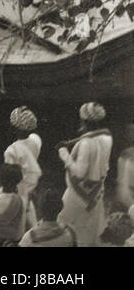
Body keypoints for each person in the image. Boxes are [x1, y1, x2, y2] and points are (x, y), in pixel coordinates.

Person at [57, 101, 112, 246]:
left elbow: (79, 173)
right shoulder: (107, 138)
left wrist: (64, 154)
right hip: (96, 192)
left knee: (63, 227)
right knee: (89, 232)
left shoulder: (86, 143)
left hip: (78, 195)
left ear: (84, 120)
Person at [3, 105, 42, 226]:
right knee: (31, 223)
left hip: (16, 190)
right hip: (30, 188)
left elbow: (9, 176)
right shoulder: (36, 140)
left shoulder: (11, 151)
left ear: (15, 129)